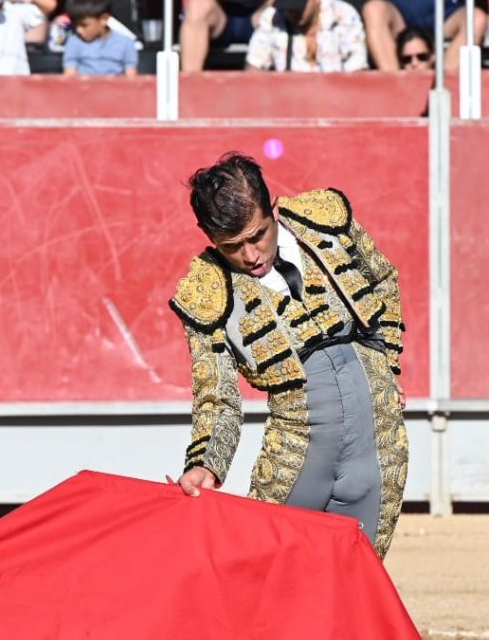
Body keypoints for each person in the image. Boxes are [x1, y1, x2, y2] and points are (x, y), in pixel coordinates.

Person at [169, 151, 407, 559]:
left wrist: (387, 366)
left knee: (358, 584)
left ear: (273, 209)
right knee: (268, 581)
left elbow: (383, 279)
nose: (250, 255)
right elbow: (217, 393)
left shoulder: (326, 220)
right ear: (208, 236)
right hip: (298, 452)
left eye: (257, 235)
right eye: (232, 246)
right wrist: (207, 463)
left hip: (379, 443)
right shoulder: (206, 290)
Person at [361, 0, 485, 74]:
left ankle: (444, 87)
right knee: (373, 10)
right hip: (397, 8)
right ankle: (395, 86)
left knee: (477, 18)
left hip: (446, 6)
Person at [245, 0, 366, 73]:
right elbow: (253, 69)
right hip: (287, 95)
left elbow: (357, 71)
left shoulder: (343, 15)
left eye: (299, 7)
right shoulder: (272, 18)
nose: (292, 13)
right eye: (288, 8)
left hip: (336, 94)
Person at [179, 0, 278, 73]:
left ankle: (255, 85)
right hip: (220, 16)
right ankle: (191, 83)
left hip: (262, 15)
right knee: (197, 6)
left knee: (283, 1)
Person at [62, 0, 138, 76]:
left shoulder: (126, 43)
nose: (78, 30)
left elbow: (131, 78)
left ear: (103, 19)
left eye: (84, 25)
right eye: (76, 25)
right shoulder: (74, 42)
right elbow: (70, 76)